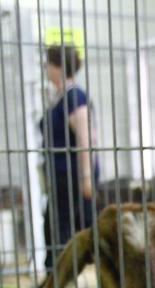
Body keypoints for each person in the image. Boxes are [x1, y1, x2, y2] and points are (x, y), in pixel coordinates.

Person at [39, 44, 98, 274]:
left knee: (64, 229)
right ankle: (56, 277)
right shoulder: (61, 96)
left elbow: (85, 137)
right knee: (55, 227)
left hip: (72, 176)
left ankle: (58, 278)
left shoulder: (74, 96)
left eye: (48, 64)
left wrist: (86, 178)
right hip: (61, 177)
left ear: (58, 67)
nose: (45, 69)